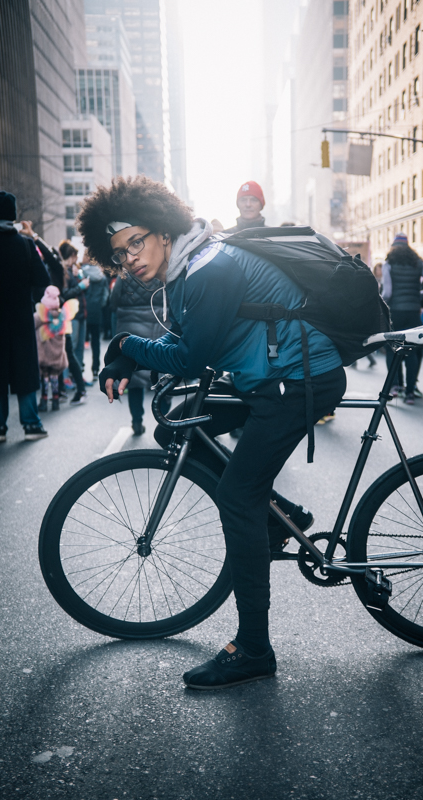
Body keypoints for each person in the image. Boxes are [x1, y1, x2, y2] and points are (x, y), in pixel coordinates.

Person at [77, 175, 345, 690]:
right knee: (176, 429)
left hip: (294, 380)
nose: (130, 257)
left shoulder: (207, 269)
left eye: (136, 241)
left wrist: (128, 345)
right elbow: (196, 340)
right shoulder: (189, 266)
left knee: (237, 497)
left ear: (162, 231)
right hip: (266, 376)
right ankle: (282, 516)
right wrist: (128, 352)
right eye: (119, 252)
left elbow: (192, 355)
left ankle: (253, 649)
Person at [0, 190, 50, 442]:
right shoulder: (26, 246)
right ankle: (30, 425)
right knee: (25, 371)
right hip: (20, 318)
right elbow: (43, 280)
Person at [18, 221, 87, 405]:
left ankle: (78, 389)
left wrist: (34, 236)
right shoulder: (35, 272)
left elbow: (49, 256)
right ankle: (57, 392)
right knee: (46, 358)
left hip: (57, 317)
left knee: (66, 353)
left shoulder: (54, 270)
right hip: (42, 317)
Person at [110, 273, 167, 436]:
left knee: (134, 377)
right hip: (159, 326)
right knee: (164, 376)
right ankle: (165, 422)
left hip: (130, 327)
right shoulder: (160, 269)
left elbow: (113, 301)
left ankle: (137, 420)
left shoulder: (125, 273)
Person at [381, 233, 423, 404]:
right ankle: (410, 392)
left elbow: (387, 293)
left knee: (392, 350)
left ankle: (396, 386)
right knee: (412, 351)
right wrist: (418, 294)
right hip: (413, 313)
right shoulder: (418, 263)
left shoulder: (388, 264)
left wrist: (381, 302)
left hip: (394, 313)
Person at [34, 286, 78, 411]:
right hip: (57, 354)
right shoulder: (61, 317)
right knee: (54, 375)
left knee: (45, 376)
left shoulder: (40, 316)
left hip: (44, 353)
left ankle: (43, 400)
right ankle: (55, 399)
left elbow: (31, 324)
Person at [59, 240, 89, 373]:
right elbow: (65, 294)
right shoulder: (64, 272)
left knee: (79, 347)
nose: (76, 259)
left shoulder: (73, 270)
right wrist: (79, 286)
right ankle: (67, 377)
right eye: (75, 256)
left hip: (81, 313)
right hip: (72, 315)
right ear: (70, 255)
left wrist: (80, 277)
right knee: (71, 346)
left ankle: (77, 375)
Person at [83, 251, 109, 378]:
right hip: (96, 310)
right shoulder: (102, 276)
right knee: (95, 341)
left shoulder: (82, 273)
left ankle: (80, 368)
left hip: (83, 310)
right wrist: (100, 305)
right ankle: (95, 368)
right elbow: (105, 295)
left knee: (80, 341)